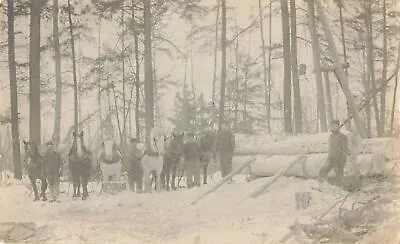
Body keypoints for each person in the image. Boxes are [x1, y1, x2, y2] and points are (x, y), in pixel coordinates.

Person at [318, 119, 349, 188]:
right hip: (330, 158)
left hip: (338, 159)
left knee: (339, 175)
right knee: (322, 171)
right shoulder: (331, 136)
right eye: (332, 126)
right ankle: (321, 186)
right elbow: (330, 148)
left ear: (338, 127)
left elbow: (345, 150)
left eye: (335, 126)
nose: (334, 128)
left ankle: (341, 188)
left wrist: (342, 160)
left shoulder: (343, 137)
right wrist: (329, 157)